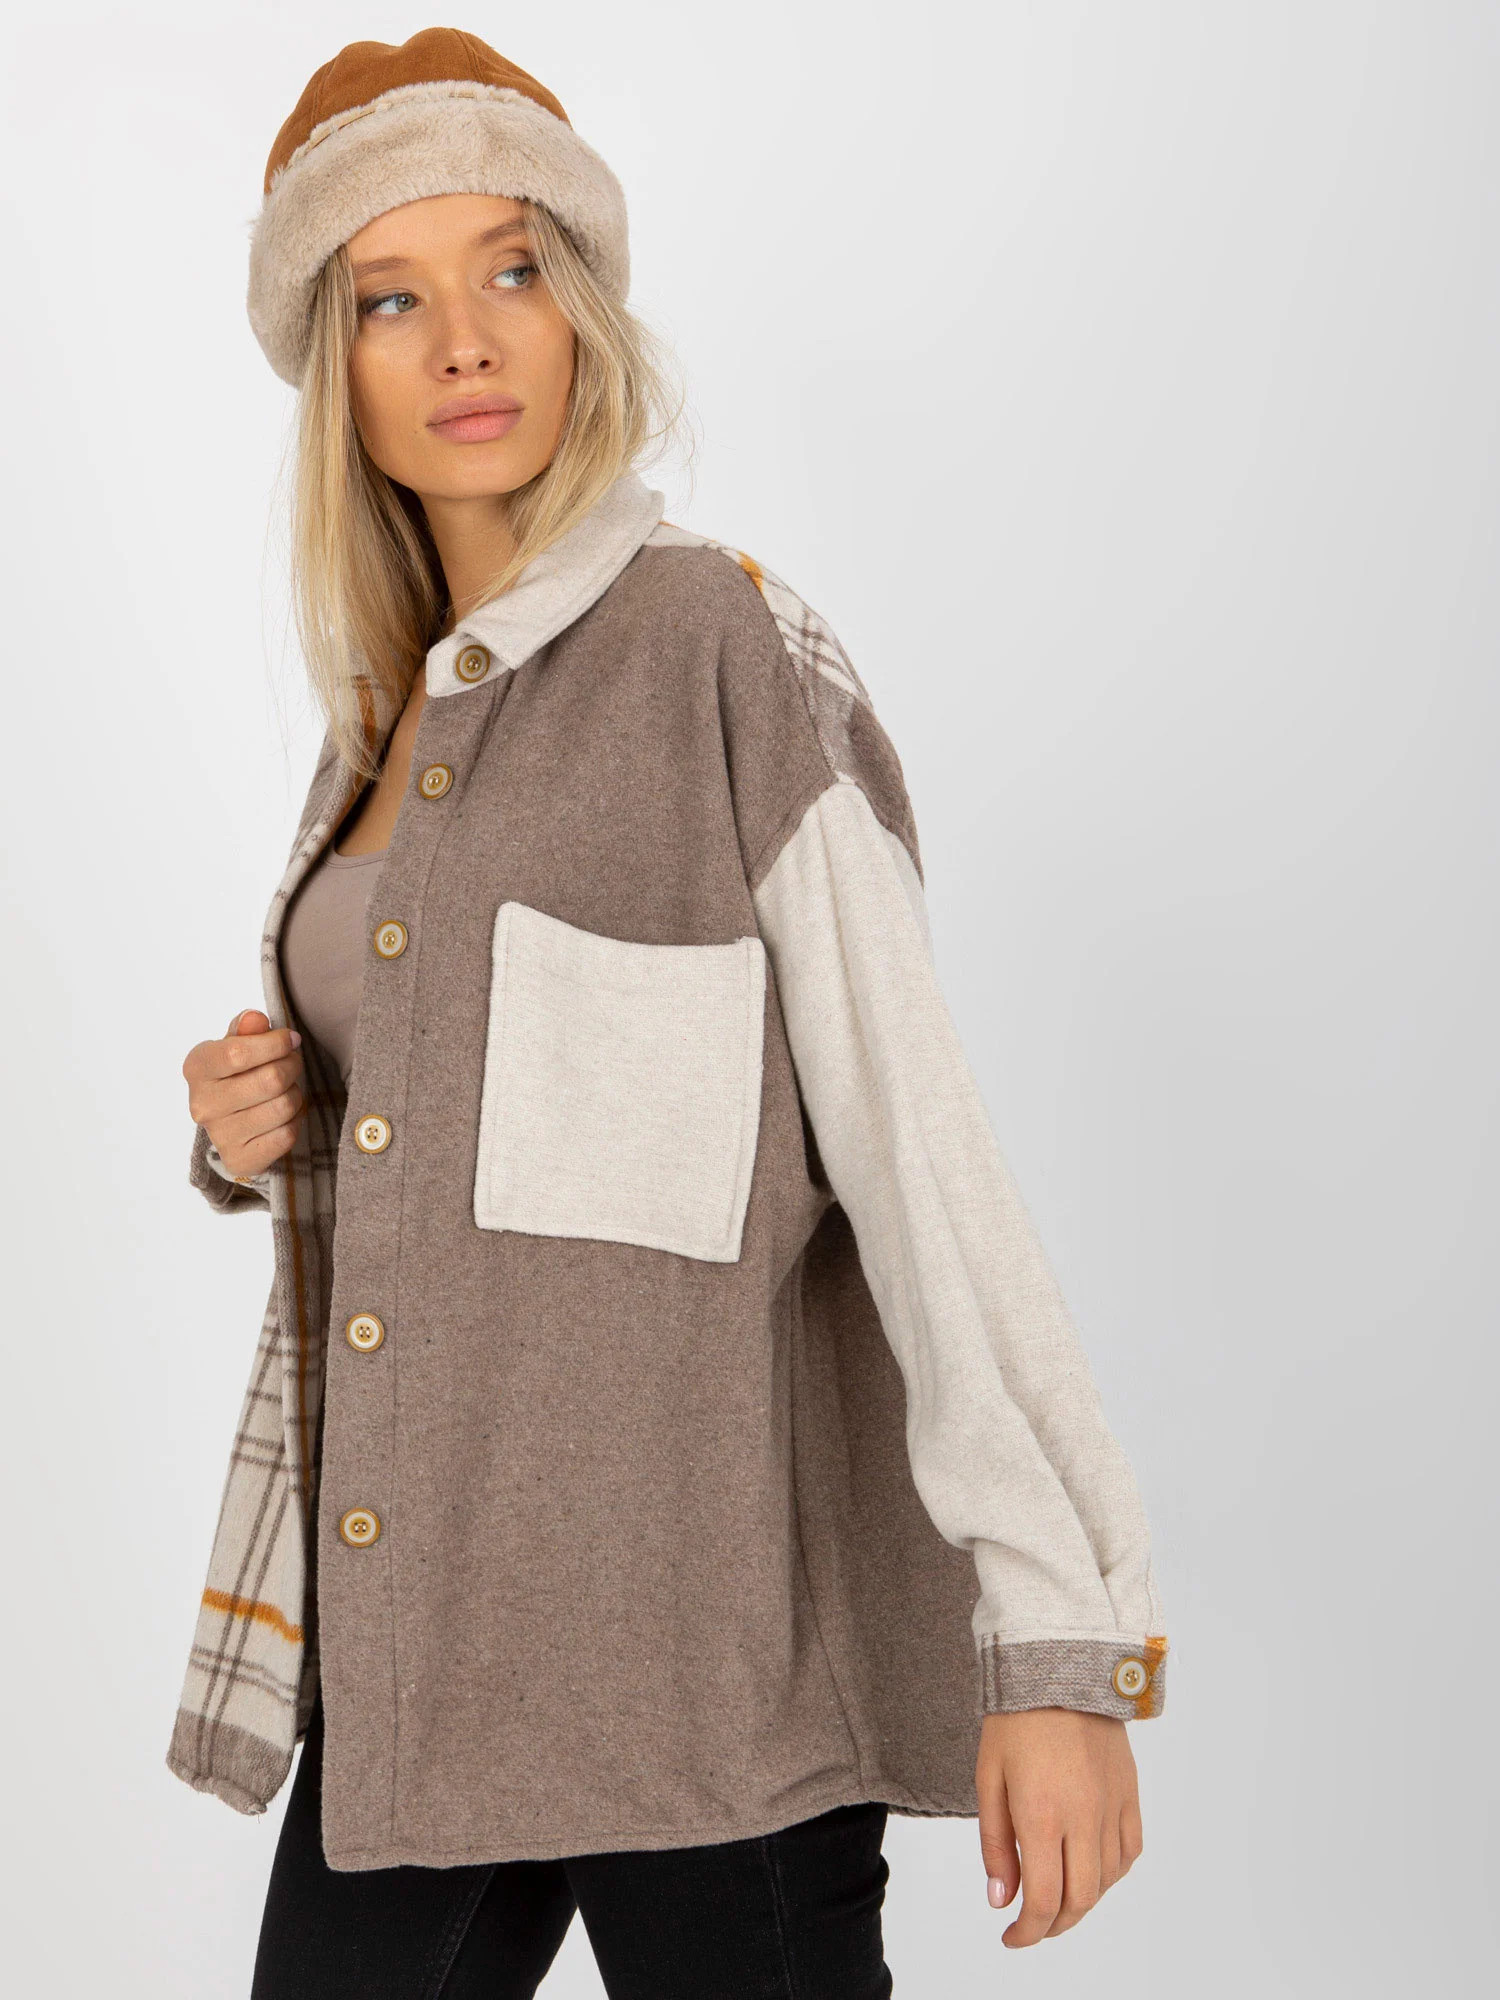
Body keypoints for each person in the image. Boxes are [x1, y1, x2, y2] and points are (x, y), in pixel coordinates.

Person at [168, 28, 1170, 1999]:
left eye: (511, 269)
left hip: (702, 1683)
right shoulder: (385, 721)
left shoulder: (724, 645)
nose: (466, 340)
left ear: (583, 310)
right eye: (393, 298)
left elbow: (918, 1154)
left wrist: (1059, 1644)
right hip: (420, 1659)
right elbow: (449, 1131)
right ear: (336, 370)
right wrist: (248, 1126)